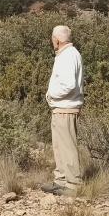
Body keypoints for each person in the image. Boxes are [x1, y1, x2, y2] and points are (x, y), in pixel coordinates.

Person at [41, 24, 84, 196]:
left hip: (66, 107)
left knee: (67, 147)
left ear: (56, 39)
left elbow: (69, 85)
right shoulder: (66, 54)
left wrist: (51, 95)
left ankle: (73, 185)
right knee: (59, 147)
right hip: (61, 108)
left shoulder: (68, 55)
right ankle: (60, 181)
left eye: (52, 38)